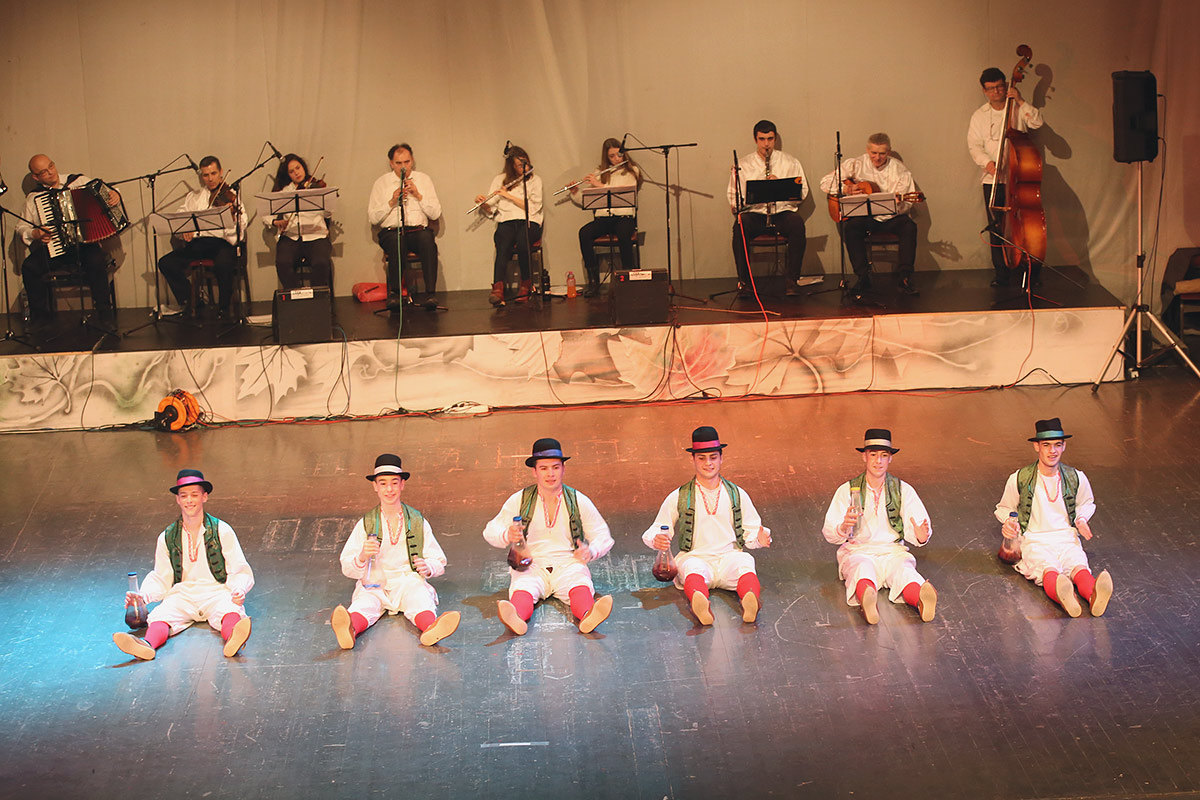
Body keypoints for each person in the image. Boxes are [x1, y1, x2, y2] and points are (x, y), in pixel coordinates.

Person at [113, 469, 254, 661]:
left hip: (215, 591)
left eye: (194, 495)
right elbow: (161, 576)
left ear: (204, 497)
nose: (189, 500)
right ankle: (147, 645)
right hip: (183, 594)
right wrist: (143, 597)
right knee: (162, 614)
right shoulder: (167, 537)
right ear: (178, 500)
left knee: (229, 609)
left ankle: (233, 639)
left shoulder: (222, 530)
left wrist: (239, 589)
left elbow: (238, 567)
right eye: (184, 495)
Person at [482, 438, 614, 635]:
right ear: (534, 471)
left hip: (567, 562)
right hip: (532, 563)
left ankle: (588, 616)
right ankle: (517, 619)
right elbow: (490, 530)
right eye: (543, 468)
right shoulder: (520, 499)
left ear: (563, 469)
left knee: (579, 583)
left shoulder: (578, 500)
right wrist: (506, 534)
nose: (550, 474)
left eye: (555, 467)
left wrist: (591, 551)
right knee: (523, 587)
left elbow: (602, 535)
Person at [642, 426, 771, 626]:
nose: (708, 463)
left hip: (729, 557)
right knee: (690, 568)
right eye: (702, 458)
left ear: (721, 458)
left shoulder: (736, 494)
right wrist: (656, 539)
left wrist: (760, 540)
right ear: (693, 459)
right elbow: (657, 529)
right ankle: (700, 604)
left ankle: (750, 602)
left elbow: (752, 532)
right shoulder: (680, 496)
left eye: (713, 457)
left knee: (745, 563)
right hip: (697, 558)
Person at [331, 454, 460, 649]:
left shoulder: (416, 521)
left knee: (419, 598)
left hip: (407, 579)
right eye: (383, 483)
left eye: (394, 483)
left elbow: (438, 560)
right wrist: (362, 556)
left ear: (402, 485)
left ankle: (431, 628)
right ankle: (350, 629)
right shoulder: (366, 523)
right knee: (365, 603)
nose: (389, 489)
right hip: (375, 582)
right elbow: (347, 566)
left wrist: (428, 567)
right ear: (375, 486)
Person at [994, 418, 1112, 618]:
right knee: (1048, 569)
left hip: (1066, 537)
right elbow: (1005, 508)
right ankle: (1066, 596)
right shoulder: (1020, 478)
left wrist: (1081, 519)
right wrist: (1008, 523)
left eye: (1057, 445)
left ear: (1064, 446)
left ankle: (1094, 596)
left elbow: (1086, 502)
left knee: (1078, 566)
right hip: (1034, 540)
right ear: (1037, 447)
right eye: (1046, 445)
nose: (1052, 451)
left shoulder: (1076, 477)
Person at [820, 429, 937, 625]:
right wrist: (843, 526)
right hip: (859, 550)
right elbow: (830, 531)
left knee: (904, 572)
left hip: (893, 551)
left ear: (890, 459)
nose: (878, 461)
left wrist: (921, 535)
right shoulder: (847, 490)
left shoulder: (902, 490)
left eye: (884, 455)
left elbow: (918, 524)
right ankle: (868, 601)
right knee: (862, 570)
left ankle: (921, 599)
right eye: (873, 455)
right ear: (864, 456)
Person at [15, 154, 120, 330]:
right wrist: (35, 233)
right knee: (29, 267)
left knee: (96, 261)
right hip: (55, 246)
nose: (51, 172)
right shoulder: (34, 198)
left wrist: (115, 194)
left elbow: (107, 192)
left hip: (85, 244)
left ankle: (105, 314)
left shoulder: (78, 182)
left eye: (51, 166)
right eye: (44, 172)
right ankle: (40, 317)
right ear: (36, 177)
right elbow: (21, 226)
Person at [967, 67, 1044, 288]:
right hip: (993, 180)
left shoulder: (1017, 108)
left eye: (1000, 86)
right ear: (984, 91)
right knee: (997, 227)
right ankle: (1001, 274)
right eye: (991, 89)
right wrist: (987, 163)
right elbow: (974, 145)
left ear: (1006, 85)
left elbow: (1037, 123)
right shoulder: (979, 115)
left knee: (1025, 226)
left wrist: (1020, 100)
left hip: (1019, 178)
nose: (996, 92)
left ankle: (1029, 272)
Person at [819, 133, 920, 297]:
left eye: (882, 153)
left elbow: (908, 204)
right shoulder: (856, 164)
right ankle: (863, 277)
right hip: (867, 217)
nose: (877, 157)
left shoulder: (900, 170)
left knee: (909, 227)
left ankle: (905, 277)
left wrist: (896, 203)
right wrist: (847, 189)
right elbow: (825, 182)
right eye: (873, 153)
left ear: (889, 152)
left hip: (891, 217)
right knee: (851, 228)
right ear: (867, 150)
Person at [728, 120, 816, 298]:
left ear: (775, 139)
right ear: (755, 140)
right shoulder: (743, 164)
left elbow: (802, 192)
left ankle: (792, 280)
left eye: (770, 139)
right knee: (740, 225)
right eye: (762, 139)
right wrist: (756, 192)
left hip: (781, 213)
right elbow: (733, 196)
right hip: (756, 213)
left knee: (797, 224)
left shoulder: (790, 162)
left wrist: (780, 187)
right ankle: (744, 282)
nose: (766, 144)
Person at [156, 156, 248, 318]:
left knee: (224, 263)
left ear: (221, 172)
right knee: (166, 262)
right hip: (199, 244)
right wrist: (185, 230)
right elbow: (179, 219)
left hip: (221, 243)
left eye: (213, 173)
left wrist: (232, 217)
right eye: (206, 175)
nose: (210, 179)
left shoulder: (231, 195)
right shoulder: (194, 197)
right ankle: (191, 299)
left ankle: (224, 308)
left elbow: (243, 223)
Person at [367, 143, 442, 311]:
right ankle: (395, 294)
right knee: (396, 242)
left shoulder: (423, 179)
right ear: (391, 163)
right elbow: (373, 218)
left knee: (427, 239)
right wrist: (392, 201)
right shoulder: (381, 183)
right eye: (399, 163)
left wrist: (418, 195)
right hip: (391, 232)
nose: (403, 167)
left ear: (412, 160)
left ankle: (430, 293)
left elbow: (435, 214)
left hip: (417, 230)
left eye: (407, 162)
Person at [569, 137, 641, 297]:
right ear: (606, 158)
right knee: (584, 233)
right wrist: (575, 192)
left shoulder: (632, 171)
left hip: (624, 217)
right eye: (612, 156)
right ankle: (594, 282)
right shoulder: (600, 173)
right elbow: (586, 200)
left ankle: (627, 280)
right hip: (604, 218)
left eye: (619, 155)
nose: (617, 159)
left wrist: (599, 185)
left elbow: (625, 189)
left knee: (623, 233)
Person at [475, 145, 542, 306]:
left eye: (526, 164)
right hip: (507, 221)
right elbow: (492, 207)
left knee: (523, 241)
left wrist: (508, 195)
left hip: (529, 221)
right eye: (519, 165)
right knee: (502, 242)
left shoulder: (535, 180)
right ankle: (498, 289)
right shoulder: (500, 180)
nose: (524, 168)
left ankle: (526, 284)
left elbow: (533, 207)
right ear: (511, 165)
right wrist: (483, 203)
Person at [267, 153, 332, 291]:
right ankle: (295, 295)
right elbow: (265, 213)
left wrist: (328, 203)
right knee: (282, 262)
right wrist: (275, 222)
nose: (296, 173)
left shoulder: (316, 187)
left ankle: (317, 297)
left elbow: (327, 214)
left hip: (316, 235)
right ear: (288, 175)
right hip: (291, 236)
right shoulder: (284, 191)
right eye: (292, 171)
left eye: (298, 168)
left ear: (303, 167)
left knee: (321, 262)